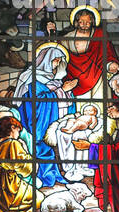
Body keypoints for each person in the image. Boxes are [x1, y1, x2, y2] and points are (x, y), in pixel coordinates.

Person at [11, 43, 75, 187]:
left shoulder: (54, 79)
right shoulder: (32, 78)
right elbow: (38, 103)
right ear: (45, 59)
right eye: (55, 60)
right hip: (33, 122)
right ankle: (43, 176)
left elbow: (55, 98)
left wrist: (67, 92)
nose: (58, 64)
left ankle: (53, 174)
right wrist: (61, 90)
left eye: (60, 61)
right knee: (42, 146)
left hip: (49, 120)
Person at [61, 7, 119, 98]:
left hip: (98, 75)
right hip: (75, 77)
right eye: (81, 22)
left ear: (92, 22)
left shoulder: (100, 34)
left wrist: (110, 64)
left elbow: (108, 53)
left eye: (88, 22)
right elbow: (60, 55)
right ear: (76, 22)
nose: (84, 24)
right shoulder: (67, 38)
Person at [45, 104, 105, 183]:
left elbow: (93, 125)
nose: (87, 112)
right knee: (71, 120)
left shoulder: (93, 118)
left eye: (90, 110)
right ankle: (68, 128)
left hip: (84, 125)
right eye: (85, 110)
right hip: (76, 122)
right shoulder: (81, 116)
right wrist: (76, 117)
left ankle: (71, 130)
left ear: (95, 112)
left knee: (78, 124)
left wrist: (90, 127)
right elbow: (75, 118)